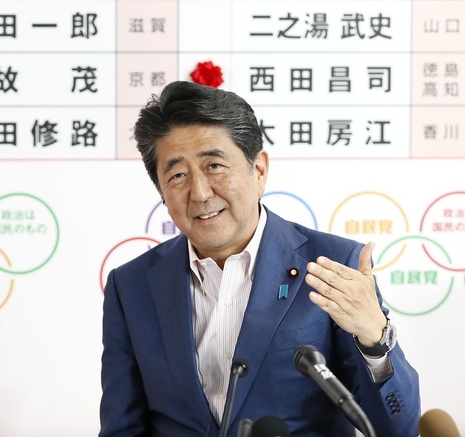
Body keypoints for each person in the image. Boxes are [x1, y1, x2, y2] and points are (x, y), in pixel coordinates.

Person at [99, 80, 420, 436]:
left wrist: (374, 339)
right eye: (177, 175)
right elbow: (122, 427)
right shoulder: (131, 286)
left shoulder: (334, 264)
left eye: (214, 166)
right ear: (161, 190)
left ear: (259, 169)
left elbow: (398, 428)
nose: (201, 193)